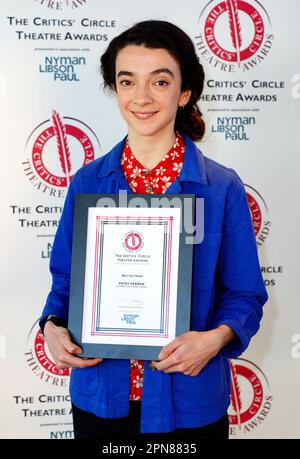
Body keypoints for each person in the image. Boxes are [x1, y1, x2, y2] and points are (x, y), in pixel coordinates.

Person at [40, 20, 268, 440]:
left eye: (159, 81)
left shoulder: (221, 188)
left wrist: (214, 340)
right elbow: (65, 283)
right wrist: (52, 328)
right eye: (127, 81)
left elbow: (245, 294)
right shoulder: (88, 183)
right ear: (115, 90)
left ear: (184, 93)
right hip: (99, 398)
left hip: (190, 402)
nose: (141, 97)